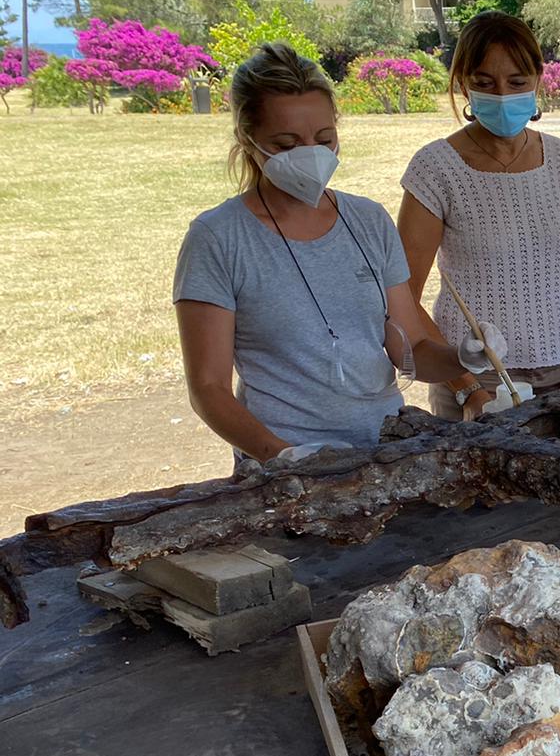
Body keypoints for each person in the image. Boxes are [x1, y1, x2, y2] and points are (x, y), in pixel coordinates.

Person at [173, 42, 499, 465]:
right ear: (248, 139)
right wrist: (281, 455)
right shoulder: (218, 238)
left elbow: (411, 347)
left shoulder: (368, 220)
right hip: (285, 463)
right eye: (288, 144)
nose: (311, 154)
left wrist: (460, 356)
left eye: (324, 139)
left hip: (384, 451)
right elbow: (208, 388)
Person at [398, 11, 560, 420]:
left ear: (537, 80)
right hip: (474, 383)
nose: (501, 96)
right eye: (483, 83)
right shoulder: (436, 169)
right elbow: (403, 294)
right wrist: (467, 388)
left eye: (516, 83)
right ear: (462, 83)